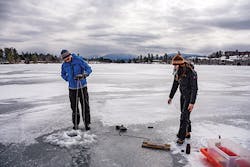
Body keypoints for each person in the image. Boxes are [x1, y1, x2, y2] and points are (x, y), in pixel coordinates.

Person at [168, 53, 198, 145]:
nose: (174, 67)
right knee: (185, 114)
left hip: (189, 97)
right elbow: (175, 85)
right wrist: (171, 97)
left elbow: (194, 88)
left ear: (181, 64)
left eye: (175, 65)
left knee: (183, 116)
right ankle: (187, 132)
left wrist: (192, 103)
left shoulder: (191, 72)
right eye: (174, 65)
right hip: (183, 96)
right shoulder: (177, 72)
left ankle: (181, 137)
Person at [60, 49, 92, 131]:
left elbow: (88, 69)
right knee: (74, 107)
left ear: (70, 55)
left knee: (85, 106)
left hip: (82, 87)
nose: (67, 60)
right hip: (72, 89)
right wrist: (68, 79)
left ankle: (87, 124)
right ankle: (75, 124)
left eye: (68, 58)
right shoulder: (64, 65)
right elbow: (62, 74)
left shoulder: (78, 60)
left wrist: (84, 75)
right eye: (65, 60)